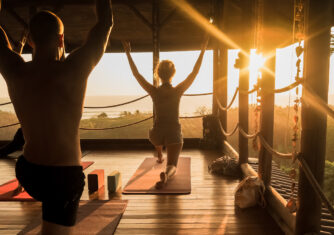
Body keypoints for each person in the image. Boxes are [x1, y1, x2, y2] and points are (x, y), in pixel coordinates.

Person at [0, 0, 113, 234]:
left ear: (30, 40)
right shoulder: (75, 68)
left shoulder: (14, 70)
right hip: (63, 177)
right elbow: (105, 23)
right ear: (61, 39)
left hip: (28, 171)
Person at [122, 36, 209, 189]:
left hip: (156, 136)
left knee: (156, 132)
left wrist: (128, 52)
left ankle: (160, 153)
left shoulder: (153, 91)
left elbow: (137, 74)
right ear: (173, 74)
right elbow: (194, 72)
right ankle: (167, 174)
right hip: (173, 134)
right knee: (173, 164)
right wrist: (203, 50)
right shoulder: (177, 91)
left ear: (158, 74)